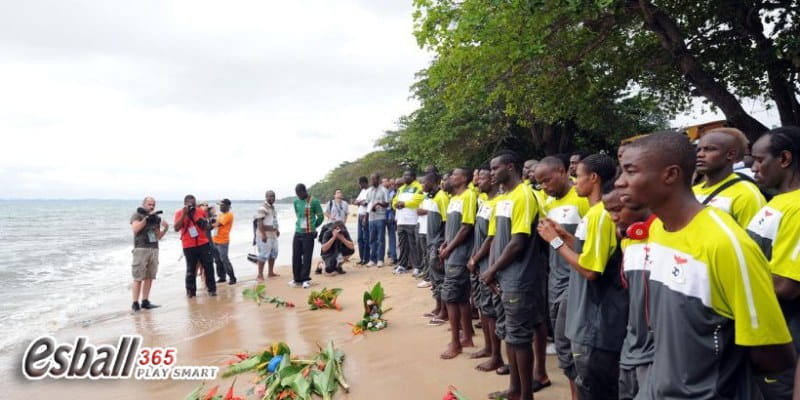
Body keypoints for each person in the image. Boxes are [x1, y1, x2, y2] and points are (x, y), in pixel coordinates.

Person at [616, 131, 795, 398]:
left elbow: (772, 353)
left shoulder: (726, 245)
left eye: (631, 172)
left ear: (670, 175)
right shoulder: (658, 231)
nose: (620, 183)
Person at [537, 154, 628, 400]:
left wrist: (554, 241)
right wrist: (565, 237)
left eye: (578, 176)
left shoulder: (600, 215)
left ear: (594, 178)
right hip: (588, 314)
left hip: (597, 317)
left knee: (594, 383)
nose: (575, 182)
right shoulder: (594, 213)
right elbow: (588, 250)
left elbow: (590, 269)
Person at [480, 151, 547, 400]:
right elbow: (497, 237)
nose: (492, 172)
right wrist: (494, 270)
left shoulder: (524, 196)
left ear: (510, 167)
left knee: (519, 338)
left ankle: (526, 394)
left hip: (520, 277)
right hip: (504, 276)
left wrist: (492, 269)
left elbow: (518, 242)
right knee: (510, 335)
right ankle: (513, 390)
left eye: (496, 168)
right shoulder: (505, 198)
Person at [747, 126, 800, 399]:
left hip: (783, 345)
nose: (754, 168)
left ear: (784, 159)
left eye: (759, 160)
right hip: (759, 340)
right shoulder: (777, 202)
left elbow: (785, 285)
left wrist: (726, 279)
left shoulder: (798, 208)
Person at [534, 156, 590, 398]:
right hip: (555, 278)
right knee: (563, 347)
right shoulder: (548, 202)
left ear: (562, 171)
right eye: (541, 183)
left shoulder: (582, 199)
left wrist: (558, 237)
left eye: (547, 180)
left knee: (572, 346)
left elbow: (586, 248)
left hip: (577, 281)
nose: (545, 186)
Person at [601, 190, 655, 400]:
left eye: (617, 210)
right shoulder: (629, 239)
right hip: (631, 343)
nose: (613, 217)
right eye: (609, 212)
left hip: (654, 352)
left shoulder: (662, 237)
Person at [467, 166, 505, 372]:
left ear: (492, 180)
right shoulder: (484, 202)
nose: (478, 181)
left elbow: (491, 238)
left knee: (493, 310)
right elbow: (478, 234)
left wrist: (477, 258)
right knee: (483, 307)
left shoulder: (499, 203)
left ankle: (497, 355)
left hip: (489, 263)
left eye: (482, 178)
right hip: (479, 261)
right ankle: (488, 347)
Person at [439, 167, 478, 359]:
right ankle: (467, 335)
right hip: (451, 252)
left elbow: (466, 227)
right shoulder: (453, 199)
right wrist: (445, 243)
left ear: (464, 178)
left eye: (454, 175)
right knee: (461, 296)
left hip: (460, 254)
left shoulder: (469, 196)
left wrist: (450, 248)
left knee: (451, 297)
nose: (451, 177)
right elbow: (452, 228)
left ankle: (456, 344)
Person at [694, 127, 766, 227]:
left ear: (731, 154)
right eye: (698, 150)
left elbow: (753, 240)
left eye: (709, 149)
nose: (700, 154)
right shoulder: (692, 191)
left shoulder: (747, 195)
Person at [130, 197, 168, 312]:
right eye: (149, 204)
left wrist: (165, 228)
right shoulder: (137, 215)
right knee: (138, 277)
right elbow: (135, 229)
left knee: (150, 276)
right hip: (141, 249)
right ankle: (135, 303)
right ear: (144, 204)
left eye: (153, 204)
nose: (151, 206)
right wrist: (146, 219)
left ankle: (145, 301)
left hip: (153, 249)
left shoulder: (156, 218)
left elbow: (158, 236)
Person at [174, 194, 216, 297]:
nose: (191, 205)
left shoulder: (200, 211)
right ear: (184, 204)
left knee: (208, 266)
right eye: (189, 203)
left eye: (193, 203)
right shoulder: (179, 213)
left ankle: (212, 289)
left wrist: (196, 216)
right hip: (188, 245)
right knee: (191, 269)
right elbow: (176, 228)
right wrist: (184, 214)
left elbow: (206, 226)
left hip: (203, 243)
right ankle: (190, 292)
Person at [422, 172, 450, 324]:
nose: (422, 185)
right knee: (434, 277)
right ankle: (438, 306)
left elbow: (446, 223)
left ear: (433, 182)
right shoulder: (432, 198)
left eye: (424, 182)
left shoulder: (442, 198)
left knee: (440, 277)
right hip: (430, 242)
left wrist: (442, 245)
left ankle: (444, 311)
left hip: (438, 242)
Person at [290, 184, 324, 289]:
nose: (299, 195)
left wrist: (313, 226)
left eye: (300, 193)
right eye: (297, 194)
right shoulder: (295, 201)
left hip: (309, 234)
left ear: (305, 191)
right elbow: (298, 215)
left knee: (307, 257)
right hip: (298, 232)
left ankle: (305, 279)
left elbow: (321, 216)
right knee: (296, 256)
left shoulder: (314, 201)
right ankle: (297, 279)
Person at [393, 169, 425, 274]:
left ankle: (417, 266)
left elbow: (417, 200)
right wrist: (395, 205)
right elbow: (394, 200)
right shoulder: (401, 188)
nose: (405, 178)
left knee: (413, 245)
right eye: (404, 176)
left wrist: (404, 204)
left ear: (413, 177)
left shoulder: (419, 187)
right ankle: (402, 265)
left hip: (412, 220)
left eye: (407, 176)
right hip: (401, 221)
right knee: (402, 245)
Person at [366, 173, 390, 267]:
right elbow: (368, 204)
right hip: (371, 218)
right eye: (371, 179)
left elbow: (387, 204)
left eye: (374, 179)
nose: (373, 181)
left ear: (378, 179)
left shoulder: (384, 190)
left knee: (380, 239)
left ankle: (380, 259)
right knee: (372, 239)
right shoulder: (369, 191)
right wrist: (366, 217)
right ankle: (372, 259)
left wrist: (379, 204)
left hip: (381, 217)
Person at [255, 190, 280, 281]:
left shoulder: (273, 208)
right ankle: (260, 275)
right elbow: (259, 222)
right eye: (270, 196)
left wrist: (277, 230)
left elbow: (273, 221)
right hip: (265, 236)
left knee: (273, 254)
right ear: (266, 197)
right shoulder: (263, 208)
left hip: (273, 235)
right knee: (263, 255)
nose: (272, 198)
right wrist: (263, 235)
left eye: (273, 196)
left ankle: (270, 272)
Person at [212, 198, 236, 285]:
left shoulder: (229, 215)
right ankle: (222, 277)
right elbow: (215, 222)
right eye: (220, 205)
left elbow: (218, 224)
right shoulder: (221, 214)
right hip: (215, 239)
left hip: (223, 241)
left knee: (224, 259)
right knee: (217, 260)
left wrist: (208, 225)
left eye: (222, 205)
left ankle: (232, 277)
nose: (220, 207)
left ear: (228, 206)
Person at [354, 176, 370, 265]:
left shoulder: (369, 191)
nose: (359, 185)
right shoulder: (362, 191)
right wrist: (361, 202)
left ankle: (366, 258)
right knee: (360, 238)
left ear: (364, 183)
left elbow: (367, 203)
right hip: (360, 215)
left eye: (359, 184)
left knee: (366, 237)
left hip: (365, 216)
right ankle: (362, 258)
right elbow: (356, 202)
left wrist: (360, 202)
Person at [383, 177, 398, 264]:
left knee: (392, 235)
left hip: (391, 214)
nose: (385, 183)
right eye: (383, 182)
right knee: (384, 236)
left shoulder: (394, 192)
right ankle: (389, 253)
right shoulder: (382, 191)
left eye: (386, 181)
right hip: (382, 214)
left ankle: (393, 256)